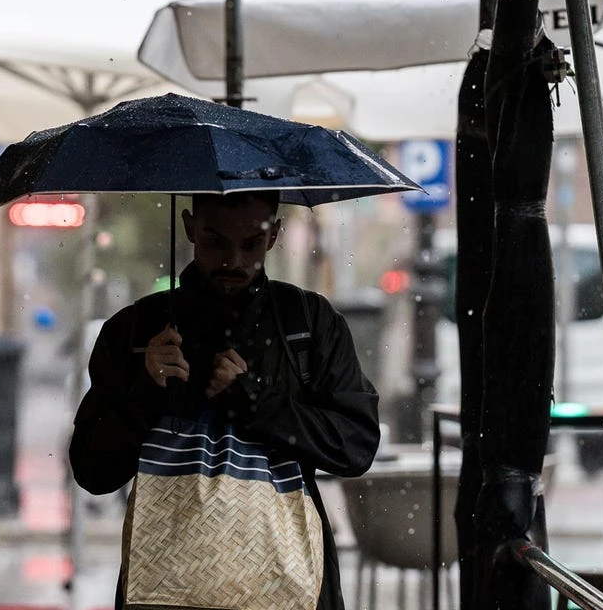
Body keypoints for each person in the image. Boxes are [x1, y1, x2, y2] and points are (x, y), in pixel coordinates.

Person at [69, 190, 380, 610]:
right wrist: (145, 390)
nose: (233, 260)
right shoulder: (137, 332)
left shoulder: (307, 324)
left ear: (274, 236)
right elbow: (93, 471)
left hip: (288, 583)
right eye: (216, 241)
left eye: (250, 243)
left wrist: (252, 400)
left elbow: (355, 446)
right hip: (168, 588)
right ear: (189, 227)